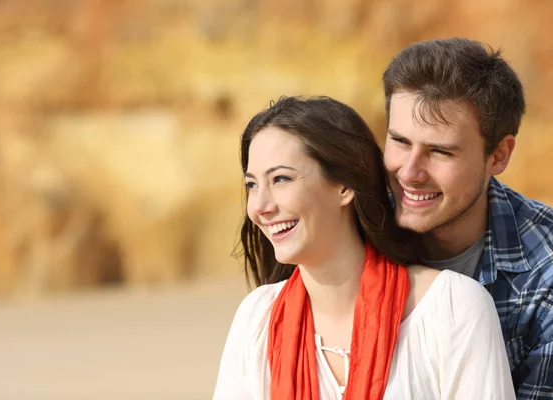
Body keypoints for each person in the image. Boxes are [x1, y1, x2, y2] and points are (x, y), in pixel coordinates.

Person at [213, 96, 514, 399]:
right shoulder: (258, 318)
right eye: (252, 185)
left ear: (344, 187)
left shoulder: (452, 307)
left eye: (281, 179)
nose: (261, 207)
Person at [381, 37, 553, 399]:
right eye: (399, 141)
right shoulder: (354, 227)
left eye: (440, 151)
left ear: (499, 155)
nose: (409, 173)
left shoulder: (547, 272)